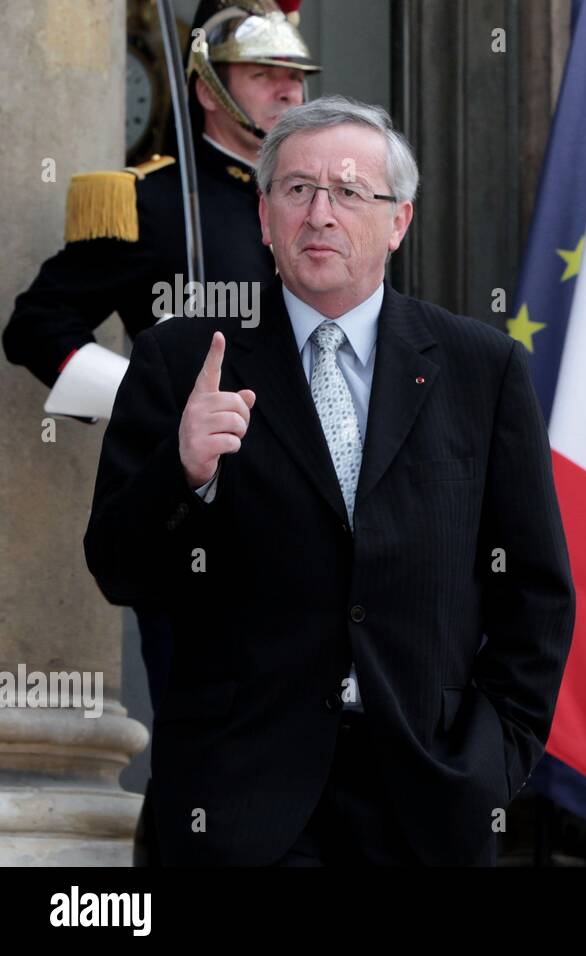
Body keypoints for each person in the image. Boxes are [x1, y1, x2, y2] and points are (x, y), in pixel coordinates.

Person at [83, 96, 577, 866]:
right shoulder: (180, 362)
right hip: (236, 801)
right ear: (264, 216)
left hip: (428, 800)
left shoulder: (483, 370)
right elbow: (118, 569)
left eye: (349, 192)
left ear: (398, 222)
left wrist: (493, 759)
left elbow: (537, 593)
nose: (321, 213)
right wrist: (179, 474)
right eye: (298, 189)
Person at [2, 0, 317, 864]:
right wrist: (150, 405)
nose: (289, 92)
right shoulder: (144, 202)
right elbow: (35, 327)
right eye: (267, 76)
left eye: (297, 77)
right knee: (202, 742)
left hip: (308, 508)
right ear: (211, 88)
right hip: (195, 511)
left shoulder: (318, 205)